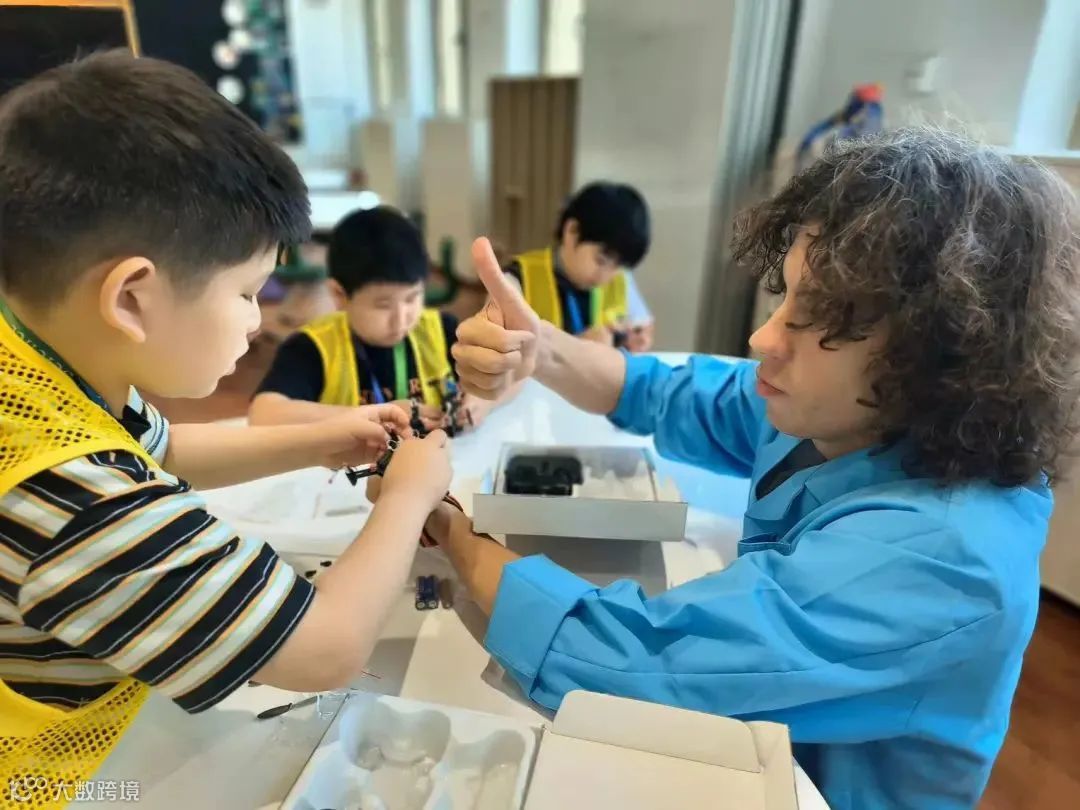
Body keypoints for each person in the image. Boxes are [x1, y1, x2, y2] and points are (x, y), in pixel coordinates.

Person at [420, 130, 1080, 809]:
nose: (763, 338)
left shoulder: (945, 555)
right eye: (783, 297)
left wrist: (452, 531)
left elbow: (630, 660)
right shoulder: (846, 415)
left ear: (938, 355)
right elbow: (665, 390)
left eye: (814, 318)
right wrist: (541, 348)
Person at [0, 51, 450, 789]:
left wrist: (326, 438)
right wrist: (408, 495)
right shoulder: (74, 501)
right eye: (247, 293)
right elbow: (326, 648)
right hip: (60, 776)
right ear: (132, 298)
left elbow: (161, 450)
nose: (256, 322)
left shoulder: (41, 363)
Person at [249, 206, 496, 432]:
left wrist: (482, 400)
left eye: (412, 298)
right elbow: (263, 414)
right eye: (383, 305)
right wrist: (374, 415)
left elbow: (507, 377)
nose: (401, 319)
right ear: (339, 295)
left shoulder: (442, 330)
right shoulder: (313, 347)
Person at [506, 181, 654, 350]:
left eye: (618, 266)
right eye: (601, 261)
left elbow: (644, 326)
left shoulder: (620, 279)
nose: (605, 277)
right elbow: (501, 355)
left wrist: (634, 340)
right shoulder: (517, 279)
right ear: (572, 231)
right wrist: (575, 347)